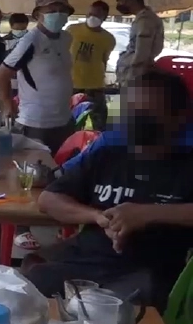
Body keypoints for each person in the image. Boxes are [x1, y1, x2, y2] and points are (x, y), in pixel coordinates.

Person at [26, 70, 193, 310]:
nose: (135, 119)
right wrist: (97, 217)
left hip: (143, 276)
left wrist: (147, 214)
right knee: (17, 295)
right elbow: (49, 199)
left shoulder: (186, 167)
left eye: (146, 113)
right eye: (131, 111)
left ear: (178, 117)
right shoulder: (107, 156)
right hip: (81, 267)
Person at [0, 0, 76, 155]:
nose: (58, 14)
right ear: (38, 14)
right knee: (36, 172)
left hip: (64, 120)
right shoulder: (31, 40)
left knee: (62, 172)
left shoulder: (66, 38)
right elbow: (1, 74)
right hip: (36, 123)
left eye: (62, 10)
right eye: (52, 10)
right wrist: (7, 103)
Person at [68, 1, 116, 131]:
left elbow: (104, 61)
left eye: (97, 15)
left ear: (104, 17)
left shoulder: (108, 38)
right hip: (72, 84)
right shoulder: (72, 30)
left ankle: (99, 146)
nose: (92, 17)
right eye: (90, 13)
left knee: (99, 123)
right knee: (72, 123)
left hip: (95, 85)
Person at [115, 0, 165, 89]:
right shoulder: (142, 19)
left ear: (131, 0)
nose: (118, 4)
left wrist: (130, 77)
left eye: (120, 0)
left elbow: (142, 53)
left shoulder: (146, 20)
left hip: (137, 79)